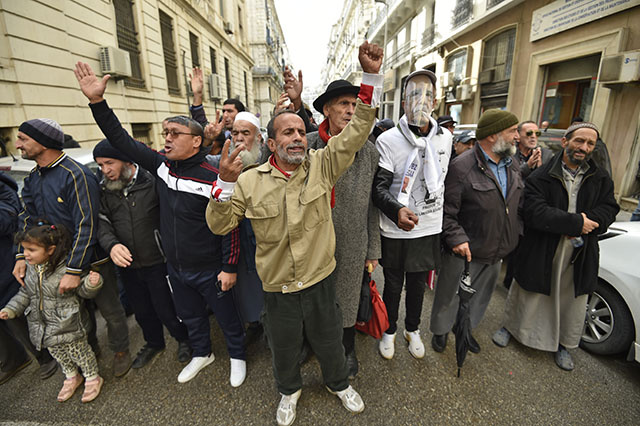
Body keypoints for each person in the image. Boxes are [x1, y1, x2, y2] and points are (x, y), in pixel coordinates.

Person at [206, 41, 383, 426]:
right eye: (287, 132)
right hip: (279, 287)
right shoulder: (250, 182)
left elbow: (357, 130)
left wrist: (370, 78)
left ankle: (339, 384)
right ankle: (289, 392)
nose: (297, 137)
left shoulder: (323, 165)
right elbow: (220, 224)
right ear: (272, 144)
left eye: (301, 131)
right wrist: (224, 183)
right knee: (284, 349)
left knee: (331, 342)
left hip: (320, 280)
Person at [74, 62, 246, 386]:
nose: (166, 139)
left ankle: (237, 356)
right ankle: (202, 354)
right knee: (192, 316)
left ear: (196, 142)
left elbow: (230, 225)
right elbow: (121, 141)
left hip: (211, 267)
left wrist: (229, 266)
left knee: (226, 317)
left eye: (174, 133)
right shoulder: (162, 166)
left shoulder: (215, 177)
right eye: (165, 133)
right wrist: (98, 102)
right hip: (176, 267)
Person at [492, 122, 619, 371]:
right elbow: (534, 212)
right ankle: (511, 328)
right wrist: (576, 223)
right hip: (543, 247)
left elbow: (610, 209)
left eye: (589, 143)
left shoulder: (600, 177)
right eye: (579, 141)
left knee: (570, 301)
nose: (583, 147)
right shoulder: (543, 175)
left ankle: (563, 344)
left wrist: (591, 222)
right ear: (565, 142)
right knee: (528, 294)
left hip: (579, 253)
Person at [12, 118, 132, 377]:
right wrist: (22, 255)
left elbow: (86, 225)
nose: (17, 144)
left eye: (23, 138)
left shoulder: (76, 174)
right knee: (76, 313)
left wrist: (74, 270)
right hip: (56, 263)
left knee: (110, 310)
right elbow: (28, 218)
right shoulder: (33, 177)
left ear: (42, 142)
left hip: (91, 262)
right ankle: (90, 351)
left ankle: (121, 350)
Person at [282, 65, 382, 377]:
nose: (351, 110)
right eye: (343, 104)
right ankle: (308, 343)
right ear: (327, 109)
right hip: (311, 240)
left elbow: (372, 206)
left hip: (351, 240)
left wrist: (373, 249)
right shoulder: (308, 144)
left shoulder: (369, 152)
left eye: (355, 105)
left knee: (348, 297)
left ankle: (346, 348)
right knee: (308, 294)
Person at [373, 69, 452, 360]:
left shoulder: (445, 138)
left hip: (429, 225)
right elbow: (379, 190)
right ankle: (389, 330)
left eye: (428, 94)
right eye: (415, 94)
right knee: (393, 284)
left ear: (436, 101)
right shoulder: (389, 140)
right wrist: (397, 211)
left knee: (419, 283)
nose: (422, 100)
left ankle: (412, 328)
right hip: (397, 227)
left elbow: (446, 182)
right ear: (404, 101)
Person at [429, 109, 523, 354]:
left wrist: (515, 232)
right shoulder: (462, 167)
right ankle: (440, 331)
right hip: (465, 250)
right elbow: (446, 213)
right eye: (513, 131)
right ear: (493, 135)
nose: (518, 137)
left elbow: (515, 202)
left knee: (480, 298)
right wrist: (457, 238)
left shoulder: (513, 162)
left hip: (496, 247)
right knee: (449, 295)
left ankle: (464, 329)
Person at [93, 140, 191, 369]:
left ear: (127, 161)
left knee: (168, 308)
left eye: (109, 163)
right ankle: (153, 342)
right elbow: (103, 223)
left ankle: (184, 340)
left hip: (158, 260)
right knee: (142, 310)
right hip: (127, 265)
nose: (105, 170)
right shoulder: (104, 189)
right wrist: (112, 245)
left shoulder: (152, 181)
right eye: (100, 165)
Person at [1, 225, 104, 403]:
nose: (26, 254)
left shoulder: (65, 269)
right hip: (44, 327)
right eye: (24, 249)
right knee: (60, 356)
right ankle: (72, 376)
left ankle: (92, 377)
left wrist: (92, 283)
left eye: (31, 250)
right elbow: (25, 293)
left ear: (50, 250)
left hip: (69, 324)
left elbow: (82, 290)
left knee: (81, 354)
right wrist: (11, 309)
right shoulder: (32, 269)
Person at [0, 172, 58, 384]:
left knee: (19, 315)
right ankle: (12, 359)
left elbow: (9, 220)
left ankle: (45, 357)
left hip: (6, 265)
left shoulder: (4, 188)